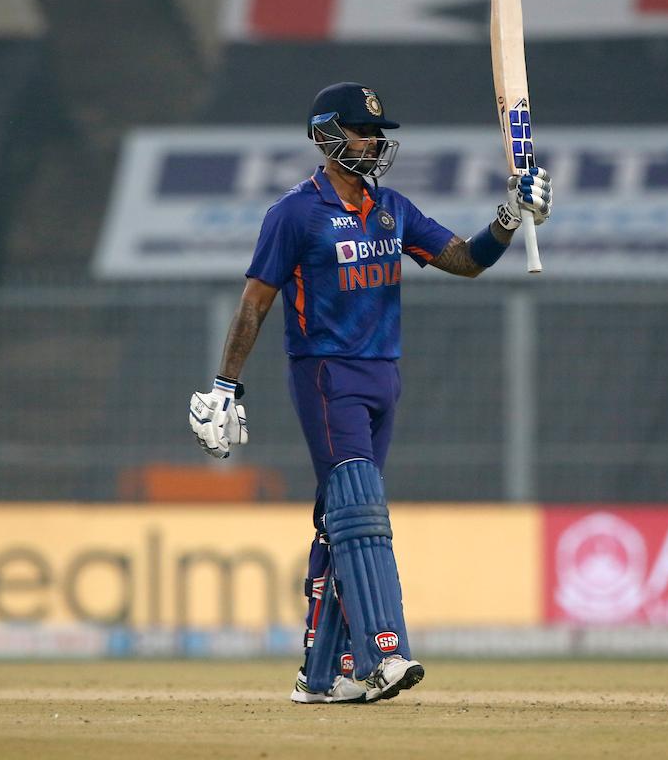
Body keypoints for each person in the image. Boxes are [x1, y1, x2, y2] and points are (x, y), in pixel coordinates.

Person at [188, 82, 552, 704]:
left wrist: (509, 217)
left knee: (340, 521)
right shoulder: (295, 214)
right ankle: (382, 654)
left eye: (380, 132)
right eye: (364, 130)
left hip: (385, 375)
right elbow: (255, 301)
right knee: (359, 513)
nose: (377, 141)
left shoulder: (392, 209)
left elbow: (466, 260)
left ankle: (319, 677)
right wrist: (225, 385)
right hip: (327, 375)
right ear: (329, 135)